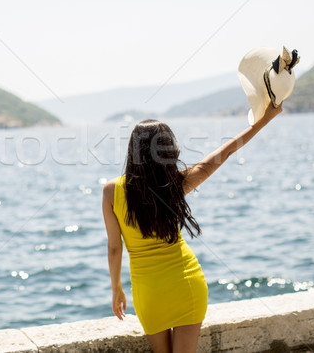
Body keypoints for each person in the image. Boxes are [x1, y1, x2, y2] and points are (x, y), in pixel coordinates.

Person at [102, 103, 283, 352]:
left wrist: (116, 289)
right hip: (186, 283)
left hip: (149, 292)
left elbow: (114, 248)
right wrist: (263, 120)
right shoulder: (176, 184)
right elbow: (226, 151)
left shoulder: (112, 191)